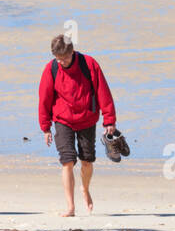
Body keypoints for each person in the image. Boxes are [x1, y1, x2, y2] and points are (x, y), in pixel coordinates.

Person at [37, 34, 117, 216]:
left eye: (65, 58)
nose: (62, 62)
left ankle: (85, 189)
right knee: (67, 161)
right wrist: (46, 127)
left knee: (87, 161)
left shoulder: (89, 64)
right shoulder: (51, 69)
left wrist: (109, 120)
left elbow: (103, 91)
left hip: (86, 118)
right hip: (62, 119)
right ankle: (70, 207)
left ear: (72, 51)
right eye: (58, 59)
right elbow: (44, 99)